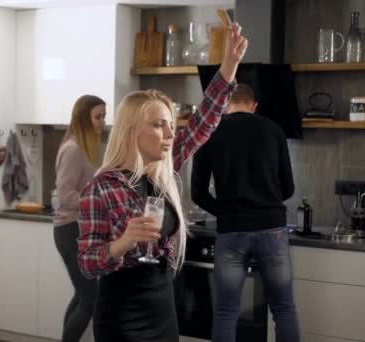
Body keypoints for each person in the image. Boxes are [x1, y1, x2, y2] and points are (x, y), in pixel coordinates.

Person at [77, 23, 248, 342]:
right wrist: (124, 242)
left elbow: (203, 123)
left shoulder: (162, 173)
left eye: (170, 125)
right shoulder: (101, 188)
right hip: (122, 320)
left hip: (163, 314)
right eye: (159, 126)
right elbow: (88, 263)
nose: (170, 135)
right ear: (131, 131)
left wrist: (229, 65)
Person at [191, 84, 300, 342]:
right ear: (254, 106)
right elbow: (288, 188)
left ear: (224, 106)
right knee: (283, 308)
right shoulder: (273, 130)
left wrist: (226, 211)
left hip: (231, 231)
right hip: (272, 230)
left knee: (226, 312)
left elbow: (197, 192)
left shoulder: (211, 132)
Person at [54, 94, 106, 342]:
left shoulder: (85, 147)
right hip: (70, 229)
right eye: (98, 117)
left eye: (103, 116)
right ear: (83, 118)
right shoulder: (73, 149)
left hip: (80, 228)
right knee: (90, 298)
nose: (102, 122)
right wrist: (96, 202)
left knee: (81, 294)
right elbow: (65, 195)